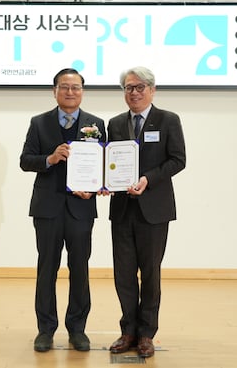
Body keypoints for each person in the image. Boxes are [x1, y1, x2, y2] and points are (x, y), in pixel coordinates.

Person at [20, 68, 107, 353]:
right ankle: (45, 330)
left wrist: (96, 186)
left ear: (82, 91)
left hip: (81, 208)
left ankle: (77, 329)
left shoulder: (96, 123)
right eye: (65, 87)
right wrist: (50, 158)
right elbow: (25, 160)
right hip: (47, 208)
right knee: (47, 268)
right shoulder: (39, 123)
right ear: (54, 91)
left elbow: (101, 165)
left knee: (80, 269)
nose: (70, 92)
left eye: (76, 87)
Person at [106, 66, 186, 358]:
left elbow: (178, 160)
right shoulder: (115, 123)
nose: (134, 93)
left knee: (150, 273)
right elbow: (109, 161)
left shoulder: (168, 120)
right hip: (122, 209)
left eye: (140, 87)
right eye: (129, 87)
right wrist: (103, 182)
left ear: (152, 90)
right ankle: (128, 330)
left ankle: (146, 333)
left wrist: (148, 179)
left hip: (154, 209)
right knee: (123, 273)